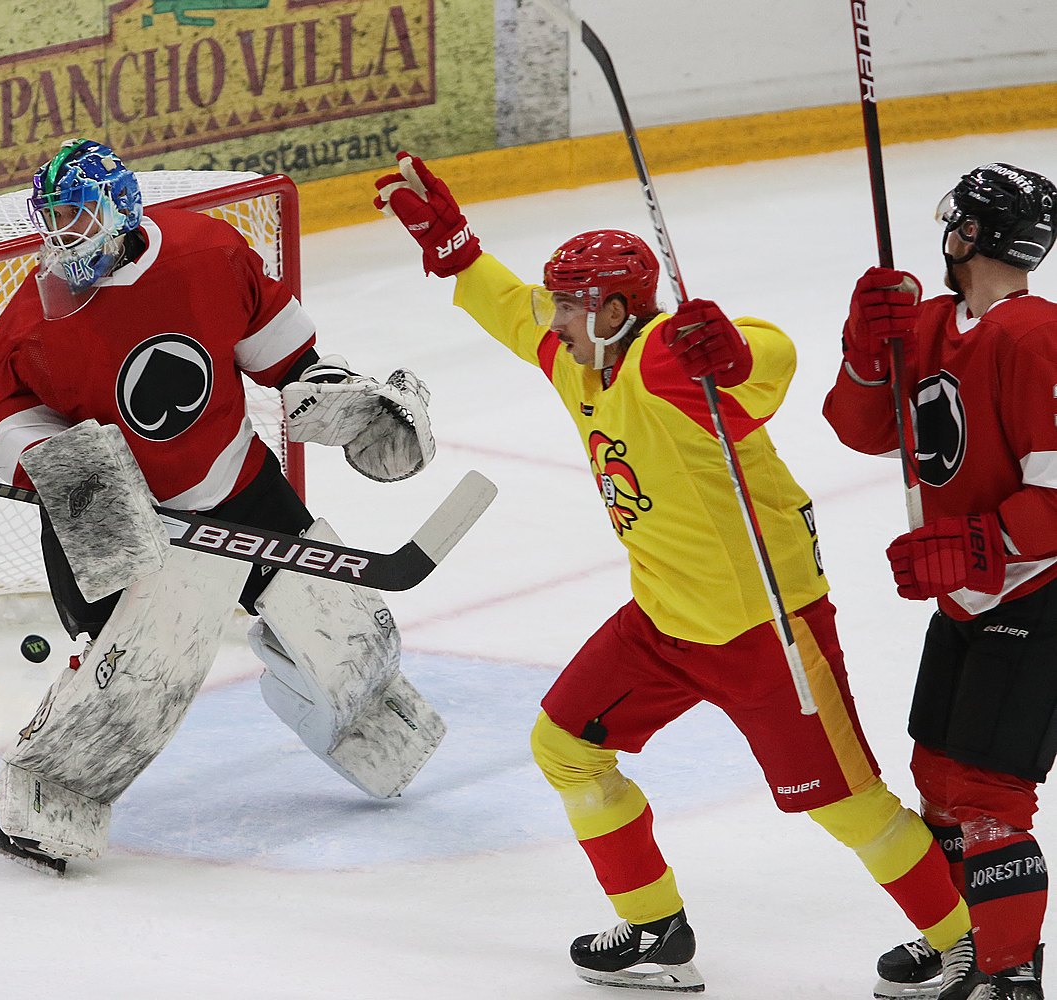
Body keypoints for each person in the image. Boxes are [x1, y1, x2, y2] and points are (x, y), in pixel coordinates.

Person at [373, 150, 970, 993]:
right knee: (566, 747)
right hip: (664, 620)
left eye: (572, 305)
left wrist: (732, 350)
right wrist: (460, 250)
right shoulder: (581, 361)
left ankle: (966, 942)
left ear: (617, 309)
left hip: (765, 625)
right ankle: (656, 929)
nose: (557, 318)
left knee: (845, 802)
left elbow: (772, 359)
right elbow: (516, 315)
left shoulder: (667, 359)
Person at [0, 138, 445, 872]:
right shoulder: (31, 323)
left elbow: (287, 361)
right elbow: (5, 414)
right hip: (115, 515)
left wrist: (340, 400)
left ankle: (343, 710)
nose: (61, 236)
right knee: (135, 677)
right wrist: (53, 463)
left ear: (122, 209)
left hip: (236, 481)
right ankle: (45, 793)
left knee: (351, 635)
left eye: (77, 215)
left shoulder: (208, 253)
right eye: (52, 219)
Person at [824, 161, 1057, 1000]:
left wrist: (970, 545)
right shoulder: (928, 325)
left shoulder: (1035, 335)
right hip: (968, 592)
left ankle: (1010, 974)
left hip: (1036, 596)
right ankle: (964, 941)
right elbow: (857, 429)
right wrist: (864, 343)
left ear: (968, 236)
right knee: (936, 777)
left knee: (991, 794)